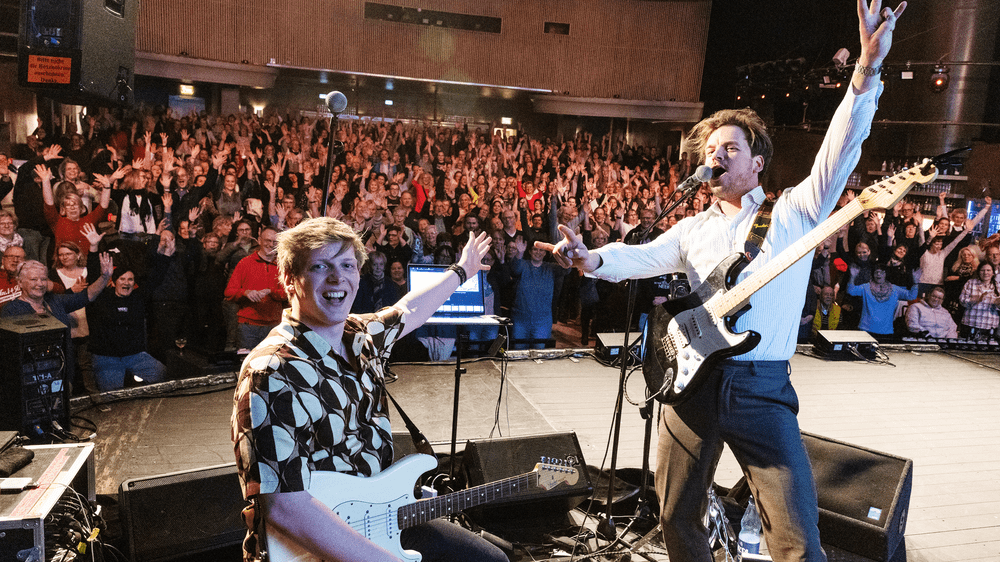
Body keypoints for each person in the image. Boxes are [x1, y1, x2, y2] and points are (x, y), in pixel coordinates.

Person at [536, 3, 905, 559]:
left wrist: (866, 72)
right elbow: (638, 256)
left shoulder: (794, 212)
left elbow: (839, 150)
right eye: (710, 150)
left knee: (797, 537)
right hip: (692, 383)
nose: (716, 156)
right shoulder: (690, 228)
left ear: (758, 163)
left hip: (761, 387)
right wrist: (589, 259)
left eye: (730, 148)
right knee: (675, 514)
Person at [231, 217, 503, 562]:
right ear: (288, 278)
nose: (337, 278)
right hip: (314, 544)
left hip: (379, 518)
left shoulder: (361, 336)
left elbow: (410, 309)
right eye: (320, 266)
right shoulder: (272, 371)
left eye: (347, 265)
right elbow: (285, 508)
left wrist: (462, 270)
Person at [224, 227, 286, 350]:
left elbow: (289, 294)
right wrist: (245, 293)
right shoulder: (245, 263)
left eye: (275, 242)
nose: (271, 245)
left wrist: (271, 291)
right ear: (259, 240)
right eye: (267, 240)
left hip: (275, 326)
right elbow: (229, 292)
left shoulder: (283, 266)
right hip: (248, 326)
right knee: (247, 360)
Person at [845, 264, 917, 339]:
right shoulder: (866, 287)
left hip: (886, 332)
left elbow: (911, 296)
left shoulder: (895, 289)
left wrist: (915, 282)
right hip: (866, 330)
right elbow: (851, 291)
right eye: (876, 272)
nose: (878, 274)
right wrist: (852, 277)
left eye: (882, 272)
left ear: (886, 274)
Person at [958, 262, 999, 340]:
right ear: (979, 272)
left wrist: (997, 303)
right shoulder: (971, 283)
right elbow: (962, 301)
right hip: (970, 323)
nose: (985, 273)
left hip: (990, 326)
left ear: (993, 273)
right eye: (982, 270)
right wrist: (976, 299)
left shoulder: (998, 286)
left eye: (988, 270)